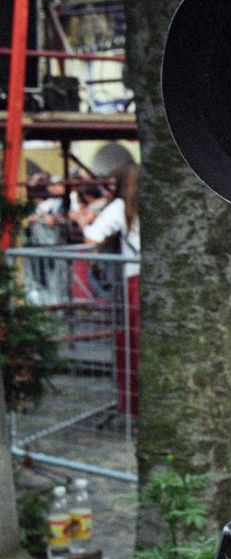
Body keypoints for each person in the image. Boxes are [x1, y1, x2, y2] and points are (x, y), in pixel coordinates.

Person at [74, 162, 141, 416]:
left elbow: (91, 237)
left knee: (132, 345)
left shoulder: (120, 207)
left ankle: (133, 407)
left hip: (135, 279)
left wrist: (84, 222)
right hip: (146, 276)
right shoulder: (148, 204)